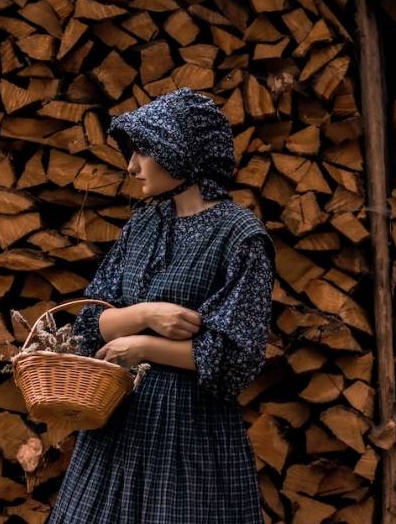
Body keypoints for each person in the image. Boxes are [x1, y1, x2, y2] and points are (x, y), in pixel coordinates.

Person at [45, 87, 276, 524]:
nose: (131, 167)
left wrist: (144, 349)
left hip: (189, 431)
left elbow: (235, 358)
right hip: (116, 423)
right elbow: (91, 322)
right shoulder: (146, 223)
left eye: (143, 152)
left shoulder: (239, 237)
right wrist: (146, 316)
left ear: (179, 150)